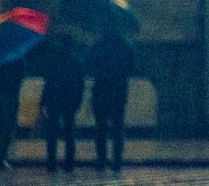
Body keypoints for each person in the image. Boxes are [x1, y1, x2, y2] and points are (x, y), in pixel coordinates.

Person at [36, 30, 86, 172]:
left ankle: (51, 162)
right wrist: (78, 100)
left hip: (54, 99)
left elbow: (49, 82)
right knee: (69, 132)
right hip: (69, 99)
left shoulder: (55, 59)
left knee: (52, 132)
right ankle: (69, 162)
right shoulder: (75, 60)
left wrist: (43, 100)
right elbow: (79, 83)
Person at [87, 28, 135, 171]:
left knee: (101, 127)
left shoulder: (99, 46)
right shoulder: (125, 46)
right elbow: (132, 66)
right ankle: (117, 161)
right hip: (119, 91)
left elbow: (90, 64)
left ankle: (101, 160)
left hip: (101, 90)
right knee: (118, 127)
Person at [0, 55, 27, 171]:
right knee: (7, 128)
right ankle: (1, 158)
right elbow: (21, 75)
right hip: (10, 96)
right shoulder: (16, 58)